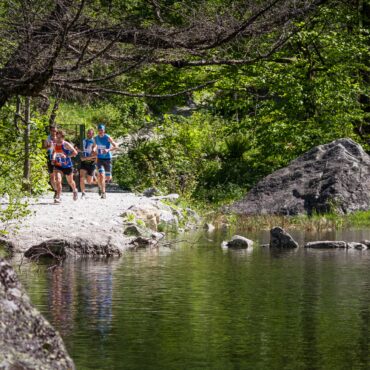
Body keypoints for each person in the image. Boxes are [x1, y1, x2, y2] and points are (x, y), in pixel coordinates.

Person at [52, 130, 78, 203]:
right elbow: (54, 152)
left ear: (63, 137)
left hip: (67, 165)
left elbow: (75, 152)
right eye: (57, 137)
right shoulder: (54, 144)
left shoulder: (66, 144)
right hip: (58, 165)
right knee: (58, 180)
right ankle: (58, 196)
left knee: (70, 181)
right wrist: (53, 158)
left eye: (60, 137)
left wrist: (67, 156)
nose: (58, 139)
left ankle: (74, 190)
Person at [93, 124, 118, 199]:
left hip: (107, 158)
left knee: (108, 177)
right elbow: (95, 146)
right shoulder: (96, 138)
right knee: (101, 175)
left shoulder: (107, 137)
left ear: (104, 130)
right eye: (99, 130)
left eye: (102, 130)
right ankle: (103, 192)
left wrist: (108, 150)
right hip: (100, 158)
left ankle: (101, 187)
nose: (101, 131)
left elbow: (116, 146)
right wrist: (94, 150)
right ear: (98, 130)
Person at [79, 128, 97, 199]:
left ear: (93, 134)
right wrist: (79, 151)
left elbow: (95, 155)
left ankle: (99, 184)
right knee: (81, 177)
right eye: (88, 133)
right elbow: (81, 150)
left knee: (89, 182)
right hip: (83, 162)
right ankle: (83, 193)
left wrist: (86, 158)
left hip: (91, 163)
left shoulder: (95, 142)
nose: (88, 134)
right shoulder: (83, 141)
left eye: (90, 133)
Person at [43, 125, 57, 198]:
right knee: (52, 176)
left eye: (55, 131)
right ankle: (56, 190)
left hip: (58, 158)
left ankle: (58, 189)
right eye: (52, 131)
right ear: (50, 131)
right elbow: (43, 149)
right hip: (50, 157)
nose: (54, 132)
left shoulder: (59, 138)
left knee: (58, 175)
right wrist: (49, 146)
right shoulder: (47, 138)